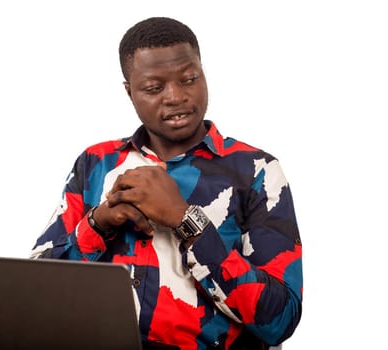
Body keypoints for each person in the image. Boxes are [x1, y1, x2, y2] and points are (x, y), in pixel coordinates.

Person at [30, 16, 303, 350]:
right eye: (154, 88)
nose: (176, 96)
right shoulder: (95, 164)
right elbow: (34, 292)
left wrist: (185, 220)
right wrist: (97, 224)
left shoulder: (256, 171)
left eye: (189, 78)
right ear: (130, 92)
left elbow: (281, 320)